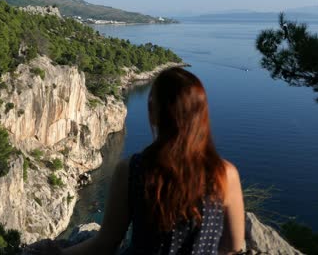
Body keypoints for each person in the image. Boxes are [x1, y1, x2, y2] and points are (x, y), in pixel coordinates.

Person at [32, 67, 245, 255]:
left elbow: (106, 244)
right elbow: (234, 245)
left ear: (154, 114)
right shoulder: (225, 174)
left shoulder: (132, 170)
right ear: (201, 116)